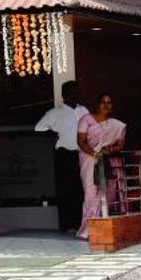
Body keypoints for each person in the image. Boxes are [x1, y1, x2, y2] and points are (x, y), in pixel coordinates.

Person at [34, 81, 90, 233]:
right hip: (65, 155)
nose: (76, 94)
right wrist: (53, 134)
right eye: (73, 92)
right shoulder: (54, 113)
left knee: (82, 189)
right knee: (67, 190)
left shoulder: (83, 110)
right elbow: (38, 128)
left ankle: (82, 223)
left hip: (82, 153)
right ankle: (68, 225)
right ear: (65, 95)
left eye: (78, 91)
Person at [77, 92, 127, 235]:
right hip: (89, 160)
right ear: (97, 104)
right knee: (91, 193)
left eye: (109, 102)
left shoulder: (116, 125)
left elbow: (120, 145)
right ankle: (88, 230)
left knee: (109, 192)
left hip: (108, 160)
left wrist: (109, 149)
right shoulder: (85, 120)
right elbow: (81, 141)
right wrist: (95, 154)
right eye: (103, 102)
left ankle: (104, 227)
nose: (106, 105)